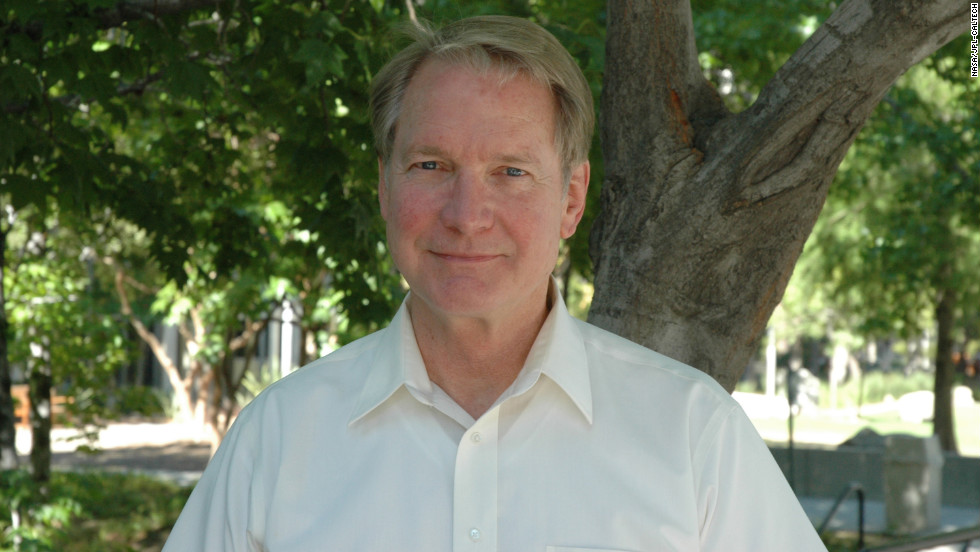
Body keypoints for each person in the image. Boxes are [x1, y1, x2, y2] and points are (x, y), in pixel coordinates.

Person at [163, 15, 826, 551]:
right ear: (384, 188)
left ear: (571, 199)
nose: (466, 216)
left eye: (511, 172)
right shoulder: (277, 441)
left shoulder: (693, 435)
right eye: (430, 164)